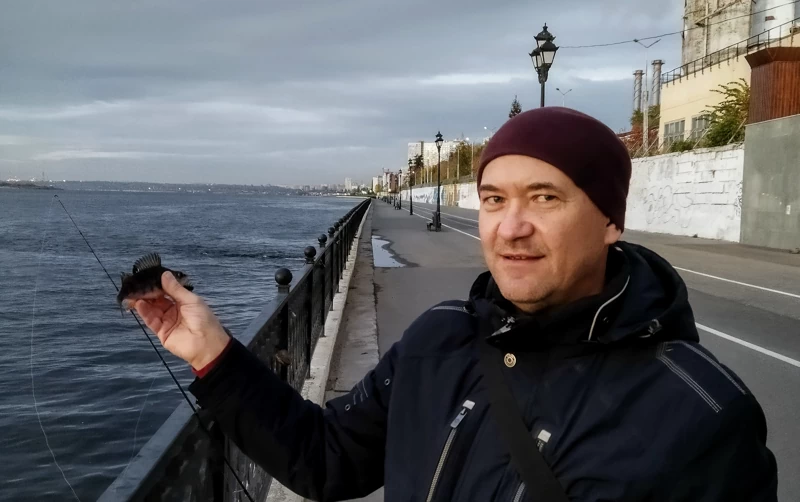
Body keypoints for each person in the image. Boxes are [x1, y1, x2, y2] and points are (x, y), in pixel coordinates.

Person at [134, 107, 778, 501]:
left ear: (611, 220)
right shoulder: (441, 339)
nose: (511, 227)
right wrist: (213, 353)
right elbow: (325, 458)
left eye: (545, 198)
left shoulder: (700, 414)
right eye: (495, 199)